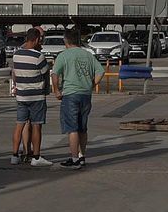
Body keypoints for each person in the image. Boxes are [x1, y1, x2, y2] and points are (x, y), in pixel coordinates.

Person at [52, 29, 104, 169]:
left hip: (70, 94)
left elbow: (55, 74)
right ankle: (82, 156)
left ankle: (74, 159)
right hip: (85, 95)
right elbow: (100, 71)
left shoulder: (63, 55)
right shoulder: (87, 55)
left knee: (72, 128)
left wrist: (56, 90)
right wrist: (92, 84)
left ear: (65, 40)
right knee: (82, 128)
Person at [10, 28, 53, 167]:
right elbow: (45, 72)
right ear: (36, 40)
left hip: (21, 96)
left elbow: (15, 74)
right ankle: (36, 156)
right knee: (36, 126)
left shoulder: (16, 55)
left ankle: (14, 155)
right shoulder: (38, 56)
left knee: (19, 125)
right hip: (36, 96)